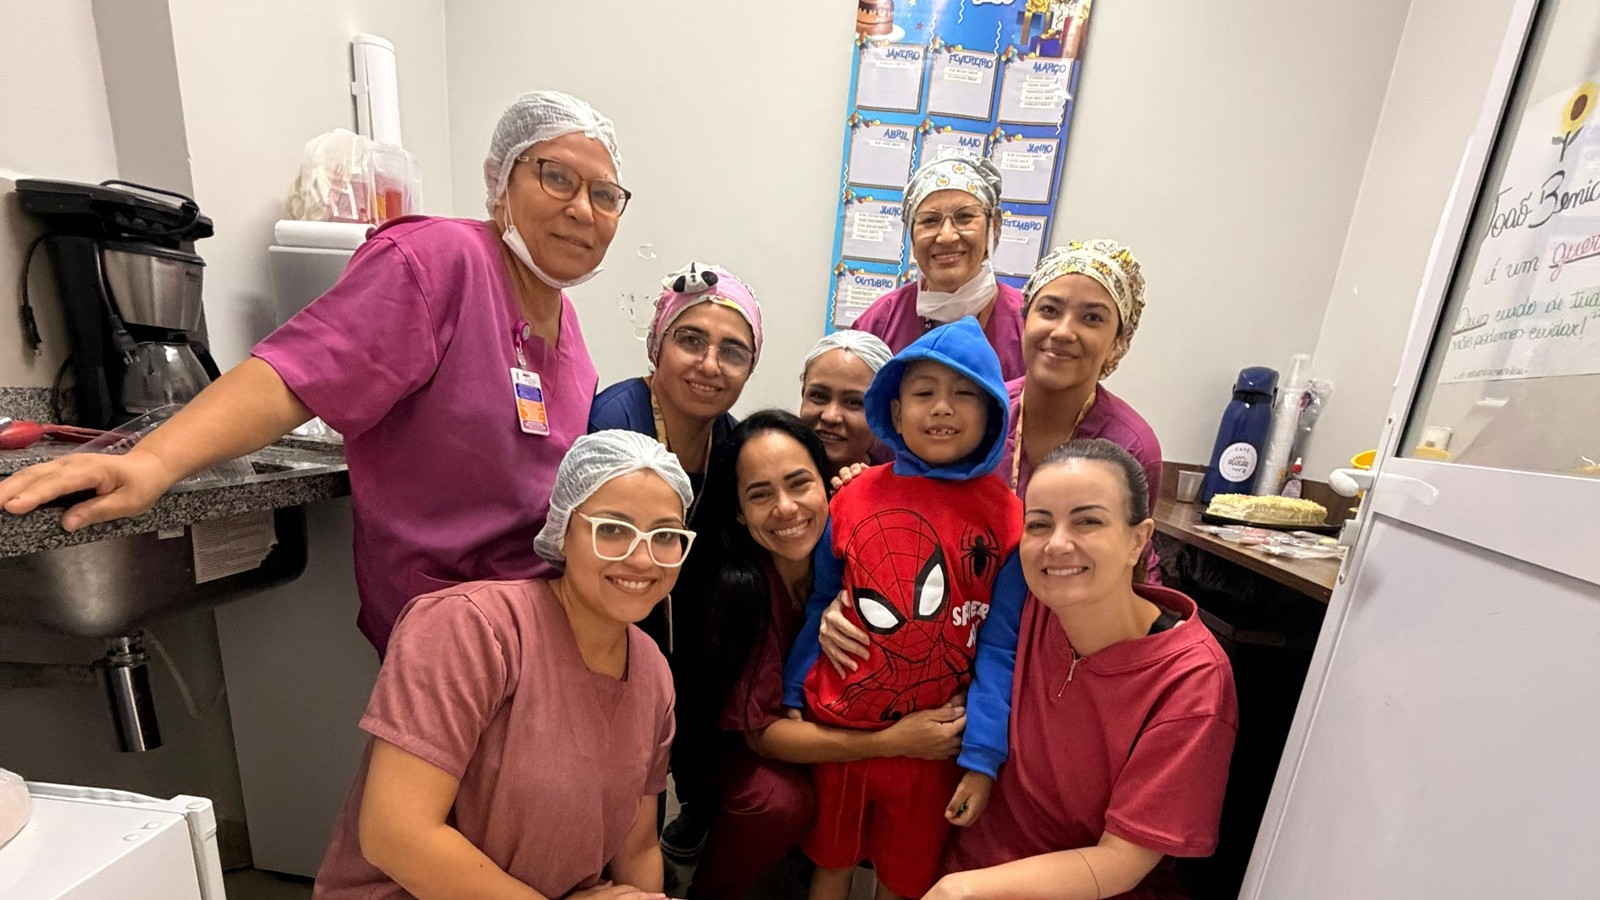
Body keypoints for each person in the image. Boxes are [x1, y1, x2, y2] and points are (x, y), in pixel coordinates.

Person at [0, 90, 630, 655]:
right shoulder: (437, 264)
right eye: (556, 177)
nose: (582, 210)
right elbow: (295, 375)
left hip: (535, 624)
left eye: (604, 195)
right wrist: (151, 462)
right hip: (448, 634)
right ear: (500, 180)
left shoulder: (569, 331)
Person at [313, 430, 694, 900]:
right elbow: (396, 834)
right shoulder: (471, 630)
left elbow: (637, 850)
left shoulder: (652, 673)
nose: (641, 557)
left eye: (665, 535)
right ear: (562, 530)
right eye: (611, 529)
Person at [782, 318, 1028, 900]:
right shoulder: (851, 496)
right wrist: (793, 693)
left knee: (907, 878)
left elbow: (1000, 642)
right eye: (923, 393)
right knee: (831, 865)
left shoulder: (1010, 520)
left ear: (994, 411)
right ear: (893, 413)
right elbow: (822, 601)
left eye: (964, 393)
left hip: (935, 746)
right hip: (840, 723)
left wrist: (984, 758)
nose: (942, 408)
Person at [930, 439, 1238, 900]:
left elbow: (1120, 861)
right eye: (1038, 524)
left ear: (1139, 539)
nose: (1056, 544)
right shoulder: (1024, 606)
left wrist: (963, 891)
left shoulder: (1190, 680)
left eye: (1087, 521)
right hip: (967, 865)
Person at [684, 410, 968, 900]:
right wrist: (893, 741)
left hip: (838, 727)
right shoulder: (743, 590)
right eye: (759, 494)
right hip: (748, 750)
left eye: (800, 484)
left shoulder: (853, 562)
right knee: (780, 802)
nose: (787, 508)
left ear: (829, 487)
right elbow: (762, 737)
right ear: (737, 511)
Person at [587, 261, 763, 862]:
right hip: (606, 618)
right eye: (691, 340)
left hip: (680, 631)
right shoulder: (619, 418)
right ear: (657, 346)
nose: (710, 364)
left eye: (732, 352)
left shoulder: (730, 439)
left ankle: (688, 814)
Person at [1006, 239, 1162, 582]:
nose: (1063, 331)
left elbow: (1127, 572)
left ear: (1118, 343)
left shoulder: (1130, 445)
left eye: (1092, 318)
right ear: (1025, 319)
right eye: (1049, 310)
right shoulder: (983, 413)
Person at [851, 155, 1025, 380]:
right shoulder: (879, 323)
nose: (946, 236)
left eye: (964, 217)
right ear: (912, 237)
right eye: (929, 221)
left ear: (994, 226)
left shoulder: (1027, 325)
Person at [797, 330, 894, 472]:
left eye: (854, 402)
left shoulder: (897, 491)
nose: (830, 416)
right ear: (803, 393)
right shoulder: (762, 474)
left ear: (884, 413)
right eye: (818, 396)